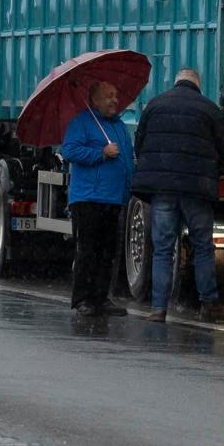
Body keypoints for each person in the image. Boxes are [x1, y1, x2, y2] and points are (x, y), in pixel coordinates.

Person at [130, 67, 224, 322]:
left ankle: (158, 308)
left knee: (163, 248)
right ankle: (209, 304)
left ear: (176, 82)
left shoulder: (155, 106)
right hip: (197, 190)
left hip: (163, 191)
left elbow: (140, 145)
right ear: (197, 85)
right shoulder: (209, 109)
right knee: (202, 246)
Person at [60, 79, 133, 318]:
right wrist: (100, 153)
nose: (114, 100)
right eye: (108, 96)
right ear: (95, 100)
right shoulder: (82, 123)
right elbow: (69, 151)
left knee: (108, 252)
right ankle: (83, 298)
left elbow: (127, 160)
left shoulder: (119, 126)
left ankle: (101, 297)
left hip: (113, 199)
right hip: (89, 197)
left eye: (115, 95)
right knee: (88, 250)